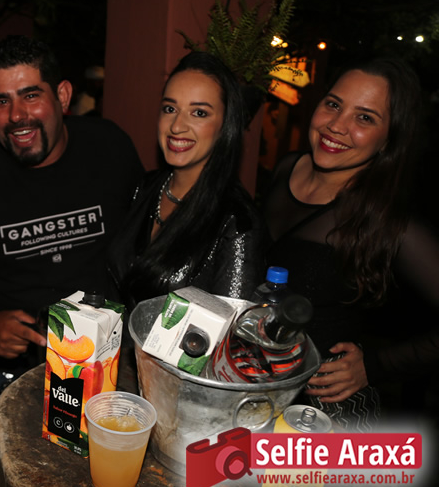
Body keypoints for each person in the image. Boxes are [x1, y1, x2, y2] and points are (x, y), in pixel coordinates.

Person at [0, 35, 144, 487]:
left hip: (103, 371)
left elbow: (146, 239)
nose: (17, 115)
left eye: (31, 94)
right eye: (1, 101)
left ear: (63, 96)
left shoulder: (110, 148)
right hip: (3, 375)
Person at [262, 57, 439, 430]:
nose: (337, 125)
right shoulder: (287, 168)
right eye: (333, 104)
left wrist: (374, 365)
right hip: (252, 384)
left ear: (389, 140)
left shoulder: (390, 222)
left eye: (365, 118)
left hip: (321, 412)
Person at [108, 51, 268, 310]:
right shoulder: (147, 187)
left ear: (225, 126)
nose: (176, 126)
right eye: (170, 109)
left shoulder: (237, 222)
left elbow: (232, 326)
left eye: (199, 113)